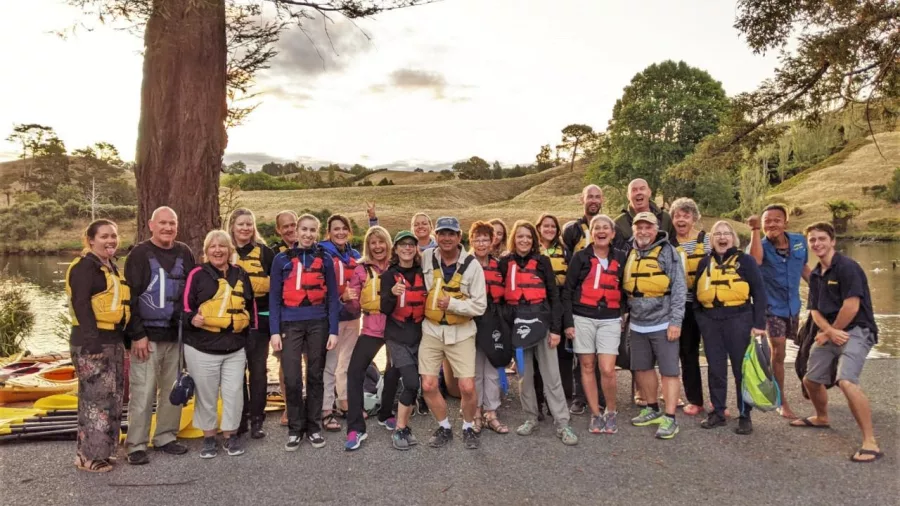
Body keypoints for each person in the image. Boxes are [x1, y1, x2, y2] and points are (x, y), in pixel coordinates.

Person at [791, 222, 882, 463]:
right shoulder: (818, 274)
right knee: (810, 379)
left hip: (857, 330)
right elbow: (814, 311)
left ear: (833, 241)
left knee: (846, 381)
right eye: (812, 240)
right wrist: (829, 331)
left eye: (822, 238)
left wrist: (834, 330)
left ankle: (870, 441)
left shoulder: (847, 267)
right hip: (832, 331)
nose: (817, 243)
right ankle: (822, 417)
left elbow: (851, 306)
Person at [124, 206, 195, 465]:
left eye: (172, 223)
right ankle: (136, 444)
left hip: (175, 336)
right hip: (147, 337)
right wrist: (137, 334)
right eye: (162, 223)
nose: (168, 228)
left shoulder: (185, 252)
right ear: (151, 225)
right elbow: (129, 298)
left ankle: (165, 436)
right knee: (143, 392)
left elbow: (191, 293)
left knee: (171, 390)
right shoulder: (140, 255)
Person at [502, 220, 578, 446]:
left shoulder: (543, 262)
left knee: (551, 376)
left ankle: (562, 423)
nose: (524, 240)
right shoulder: (505, 263)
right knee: (525, 377)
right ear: (514, 239)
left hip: (542, 324)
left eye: (528, 237)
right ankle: (530, 417)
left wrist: (556, 329)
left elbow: (554, 297)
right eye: (520, 236)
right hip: (518, 328)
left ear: (533, 240)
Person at [269, 214, 340, 451]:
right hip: (290, 323)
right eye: (304, 230)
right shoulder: (281, 260)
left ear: (317, 233)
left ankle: (314, 426)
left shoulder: (326, 259)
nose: (308, 234)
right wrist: (274, 331)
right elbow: (274, 298)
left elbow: (332, 297)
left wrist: (333, 330)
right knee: (291, 376)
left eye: (312, 230)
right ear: (296, 231)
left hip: (318, 322)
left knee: (315, 375)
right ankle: (295, 428)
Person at [182, 230, 253, 458]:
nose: (217, 250)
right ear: (206, 251)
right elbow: (184, 307)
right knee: (206, 395)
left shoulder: (241, 274)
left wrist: (250, 336)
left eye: (222, 246)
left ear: (229, 250)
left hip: (234, 347)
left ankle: (231, 436)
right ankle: (209, 438)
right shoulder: (197, 274)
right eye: (212, 246)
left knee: (234, 393)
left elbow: (250, 307)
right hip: (201, 347)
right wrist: (192, 318)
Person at [66, 219, 130, 473]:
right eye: (104, 236)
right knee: (96, 400)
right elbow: (82, 304)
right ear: (91, 240)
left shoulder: (111, 267)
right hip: (91, 341)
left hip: (112, 340)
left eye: (113, 236)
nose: (110, 241)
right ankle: (90, 457)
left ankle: (103, 452)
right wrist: (92, 342)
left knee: (112, 398)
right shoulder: (84, 267)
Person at [694, 221, 767, 435]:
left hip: (739, 319)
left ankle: (745, 414)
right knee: (716, 369)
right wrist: (701, 319)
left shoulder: (746, 262)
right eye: (717, 233)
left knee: (740, 370)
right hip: (711, 321)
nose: (722, 237)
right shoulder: (704, 262)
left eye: (726, 233)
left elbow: (760, 294)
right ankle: (718, 411)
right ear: (712, 239)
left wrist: (759, 324)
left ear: (733, 238)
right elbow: (696, 295)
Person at [420, 216, 487, 449]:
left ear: (460, 237)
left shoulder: (473, 265)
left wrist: (453, 305)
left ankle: (468, 426)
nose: (446, 238)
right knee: (428, 385)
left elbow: (480, 306)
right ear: (435, 236)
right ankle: (444, 427)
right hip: (431, 330)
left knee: (467, 387)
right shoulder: (426, 257)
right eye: (442, 233)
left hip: (462, 331)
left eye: (451, 234)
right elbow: (398, 257)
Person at [623, 212, 686, 439]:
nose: (643, 231)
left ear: (656, 228)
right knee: (642, 368)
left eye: (647, 227)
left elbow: (679, 289)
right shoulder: (629, 252)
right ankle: (652, 408)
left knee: (669, 371)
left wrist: (676, 322)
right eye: (639, 227)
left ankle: (670, 418)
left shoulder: (668, 252)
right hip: (638, 323)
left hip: (663, 321)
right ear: (633, 230)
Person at [562, 214, 626, 435]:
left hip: (609, 318)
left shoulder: (622, 257)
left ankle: (611, 411)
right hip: (582, 317)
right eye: (597, 227)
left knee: (607, 368)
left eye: (605, 228)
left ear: (612, 233)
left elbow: (625, 290)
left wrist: (623, 314)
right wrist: (568, 323)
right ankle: (596, 414)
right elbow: (568, 291)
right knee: (587, 366)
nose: (601, 231)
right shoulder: (580, 257)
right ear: (591, 233)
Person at [748, 204, 811, 419]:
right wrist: (755, 230)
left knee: (806, 347)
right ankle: (781, 399)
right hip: (771, 308)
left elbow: (804, 268)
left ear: (786, 222)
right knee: (779, 352)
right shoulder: (760, 245)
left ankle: (809, 383)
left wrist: (823, 292)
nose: (772, 224)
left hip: (794, 306)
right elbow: (754, 260)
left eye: (776, 220)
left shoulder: (800, 243)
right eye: (767, 221)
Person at [342, 226, 400, 451]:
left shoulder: (397, 267)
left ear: (388, 243)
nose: (378, 247)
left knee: (393, 371)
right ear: (368, 246)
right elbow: (354, 304)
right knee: (354, 372)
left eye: (381, 242)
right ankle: (356, 427)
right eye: (373, 243)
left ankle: (385, 414)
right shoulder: (360, 270)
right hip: (371, 328)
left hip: (396, 328)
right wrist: (347, 298)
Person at [228, 208, 275, 439]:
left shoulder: (265, 253)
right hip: (232, 322)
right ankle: (240, 417)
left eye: (249, 224)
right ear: (233, 226)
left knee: (258, 372)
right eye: (241, 224)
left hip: (260, 321)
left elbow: (276, 289)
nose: (245, 228)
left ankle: (257, 419)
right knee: (236, 372)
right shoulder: (224, 252)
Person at [380, 231, 428, 450]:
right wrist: (391, 293)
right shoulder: (389, 275)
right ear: (396, 249)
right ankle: (400, 429)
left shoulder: (423, 273)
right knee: (410, 382)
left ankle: (402, 426)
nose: (407, 248)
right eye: (403, 245)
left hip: (419, 335)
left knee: (414, 384)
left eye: (411, 245)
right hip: (397, 336)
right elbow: (384, 308)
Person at [320, 214, 363, 431]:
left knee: (347, 363)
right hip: (332, 318)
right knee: (330, 365)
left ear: (349, 231)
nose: (340, 232)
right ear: (329, 232)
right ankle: (326, 409)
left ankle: (344, 402)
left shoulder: (354, 255)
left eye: (344, 228)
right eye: (336, 229)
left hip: (353, 316)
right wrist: (340, 299)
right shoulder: (322, 253)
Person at [670, 197, 710, 416]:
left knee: (714, 354)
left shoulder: (708, 240)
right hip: (683, 306)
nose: (681, 219)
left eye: (686, 215)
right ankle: (695, 399)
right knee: (688, 353)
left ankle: (720, 402)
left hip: (709, 305)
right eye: (677, 215)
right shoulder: (669, 244)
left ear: (694, 218)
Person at [468, 220, 509, 435]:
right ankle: (475, 412)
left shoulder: (498, 264)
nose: (482, 243)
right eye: (478, 239)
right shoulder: (465, 264)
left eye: (486, 239)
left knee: (492, 368)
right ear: (471, 240)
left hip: (494, 319)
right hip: (472, 321)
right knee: (474, 370)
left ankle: (491, 412)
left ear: (492, 241)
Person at [270, 209, 298, 425]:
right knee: (285, 365)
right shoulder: (273, 254)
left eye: (293, 224)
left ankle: (310, 405)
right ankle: (289, 408)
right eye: (285, 226)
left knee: (312, 363)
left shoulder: (312, 249)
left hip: (311, 318)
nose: (290, 229)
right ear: (279, 230)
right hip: (285, 318)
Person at [614, 178, 676, 246]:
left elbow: (674, 244)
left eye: (642, 189)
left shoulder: (665, 218)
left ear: (649, 192)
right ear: (628, 196)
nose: (638, 192)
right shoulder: (619, 224)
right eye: (634, 190)